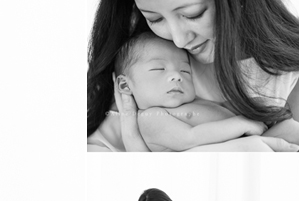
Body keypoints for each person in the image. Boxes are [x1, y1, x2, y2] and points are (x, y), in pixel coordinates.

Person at [87, 0, 299, 151]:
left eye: (193, 14)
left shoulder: (287, 71)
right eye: (155, 18)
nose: (179, 41)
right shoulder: (139, 64)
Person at [113, 33, 280, 151]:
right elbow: (189, 137)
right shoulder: (149, 118)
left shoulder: (194, 101)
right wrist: (242, 123)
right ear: (125, 86)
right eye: (159, 68)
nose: (176, 76)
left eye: (185, 71)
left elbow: (221, 108)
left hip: (256, 130)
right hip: (244, 137)